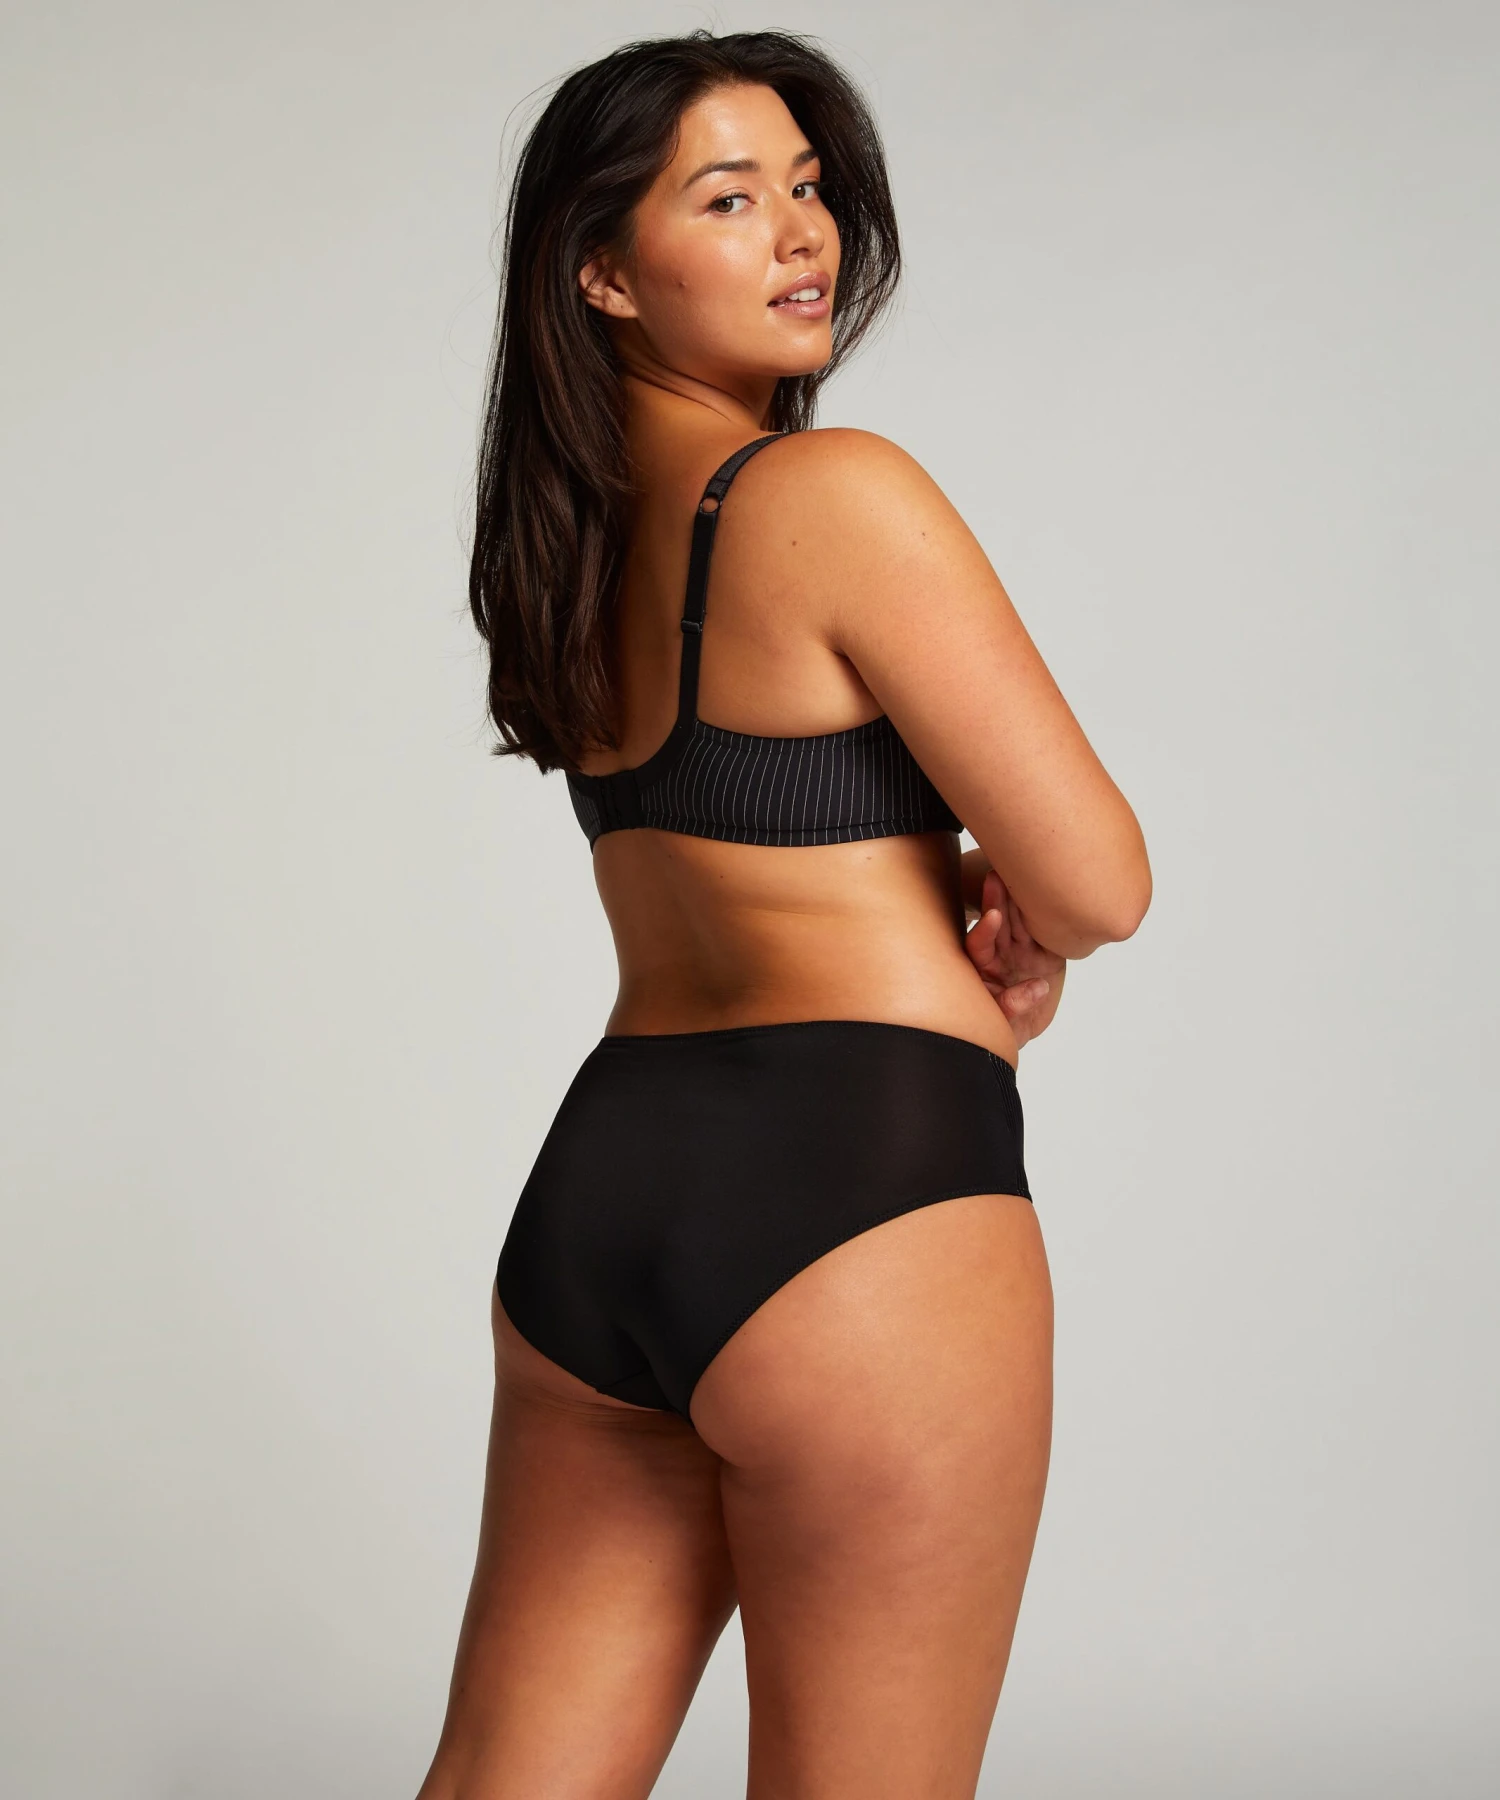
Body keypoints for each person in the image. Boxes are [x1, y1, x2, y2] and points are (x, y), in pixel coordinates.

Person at [418, 28, 1150, 1800]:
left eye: (808, 189)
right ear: (601, 269)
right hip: (862, 1203)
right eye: (729, 199)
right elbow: (1101, 882)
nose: (802, 233)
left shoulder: (564, 552)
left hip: (604, 1203)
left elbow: (755, 818)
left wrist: (947, 879)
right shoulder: (835, 494)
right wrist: (1024, 926)